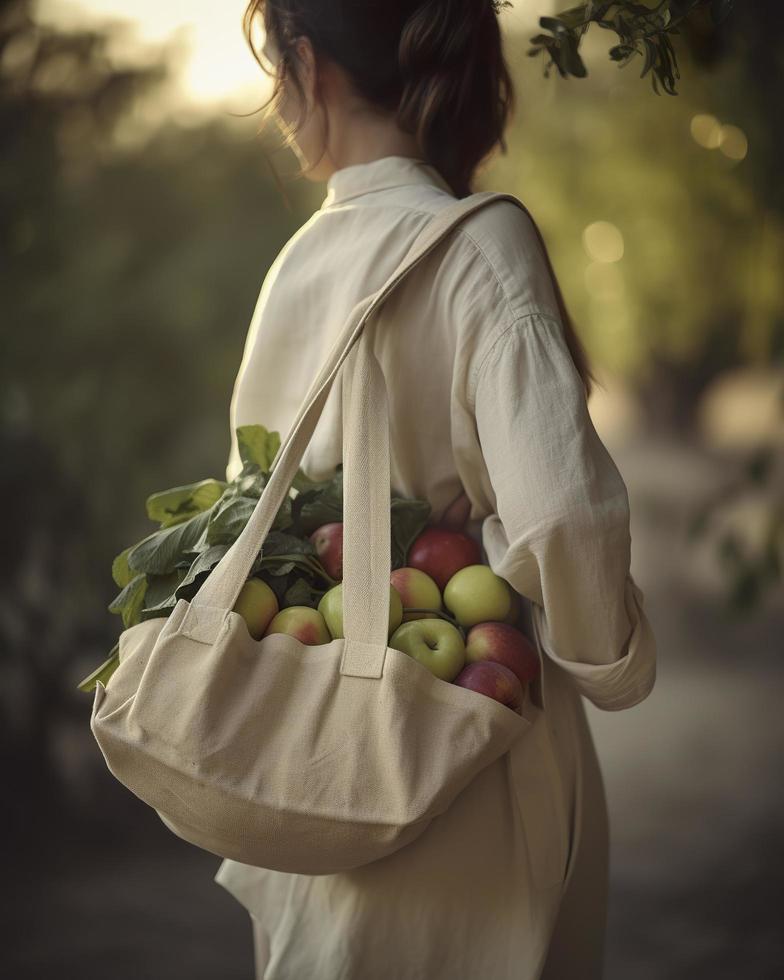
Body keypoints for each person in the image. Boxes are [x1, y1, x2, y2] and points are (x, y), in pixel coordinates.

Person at [214, 2, 658, 978]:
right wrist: (607, 660)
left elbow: (252, 510)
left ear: (306, 65)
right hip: (472, 745)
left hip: (317, 762)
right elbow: (565, 512)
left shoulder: (295, 266)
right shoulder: (477, 246)